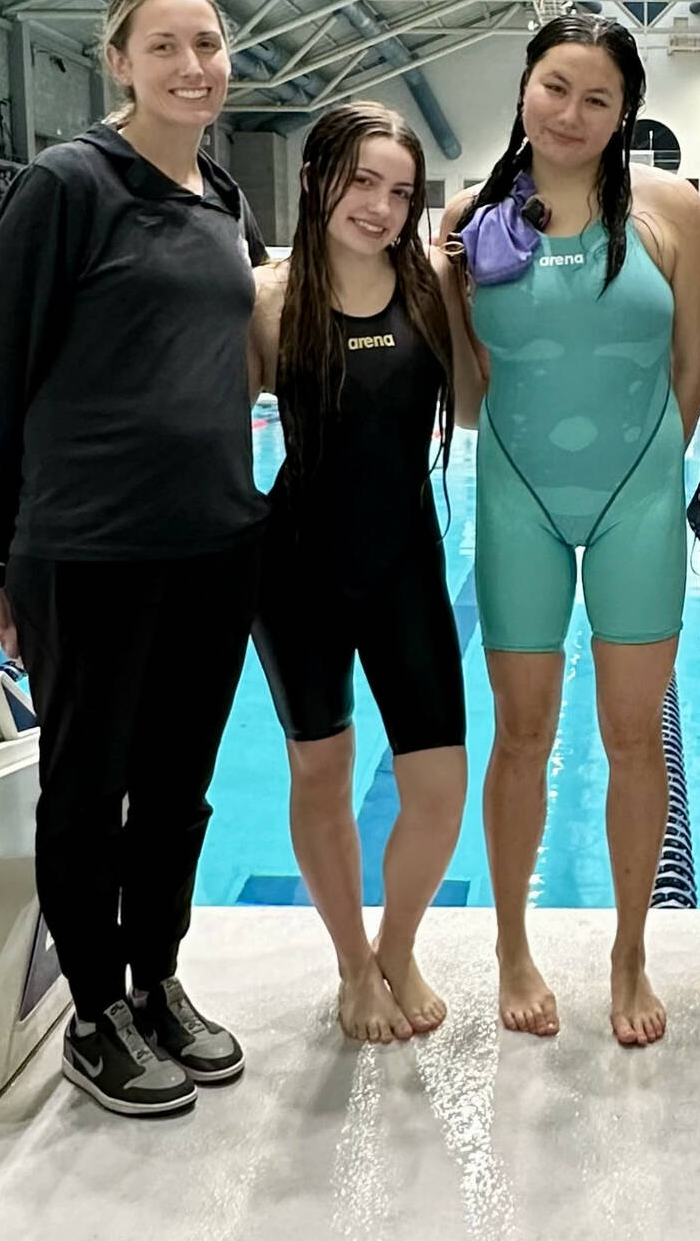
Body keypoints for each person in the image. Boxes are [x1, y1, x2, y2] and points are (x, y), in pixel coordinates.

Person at [0, 0, 268, 1118]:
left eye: (210, 43)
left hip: (211, 544)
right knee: (86, 791)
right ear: (121, 61)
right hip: (88, 548)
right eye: (167, 45)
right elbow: (1, 380)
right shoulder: (67, 186)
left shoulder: (223, 197)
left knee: (179, 789)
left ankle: (158, 983)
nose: (195, 65)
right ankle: (94, 1014)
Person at [434, 15, 700, 1046]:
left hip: (637, 495)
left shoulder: (669, 210)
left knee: (636, 737)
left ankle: (630, 952)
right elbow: (467, 391)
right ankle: (512, 944)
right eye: (555, 87)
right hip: (516, 493)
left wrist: (648, 471)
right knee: (520, 733)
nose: (571, 113)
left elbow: (691, 370)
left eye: (598, 99)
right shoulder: (472, 221)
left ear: (624, 113)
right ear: (523, 87)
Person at [246, 102, 465, 1044]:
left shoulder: (433, 287)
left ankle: (399, 946)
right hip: (296, 565)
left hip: (407, 559)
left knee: (439, 783)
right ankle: (350, 963)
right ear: (315, 179)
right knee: (321, 773)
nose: (380, 206)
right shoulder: (266, 298)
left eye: (401, 191)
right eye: (362, 182)